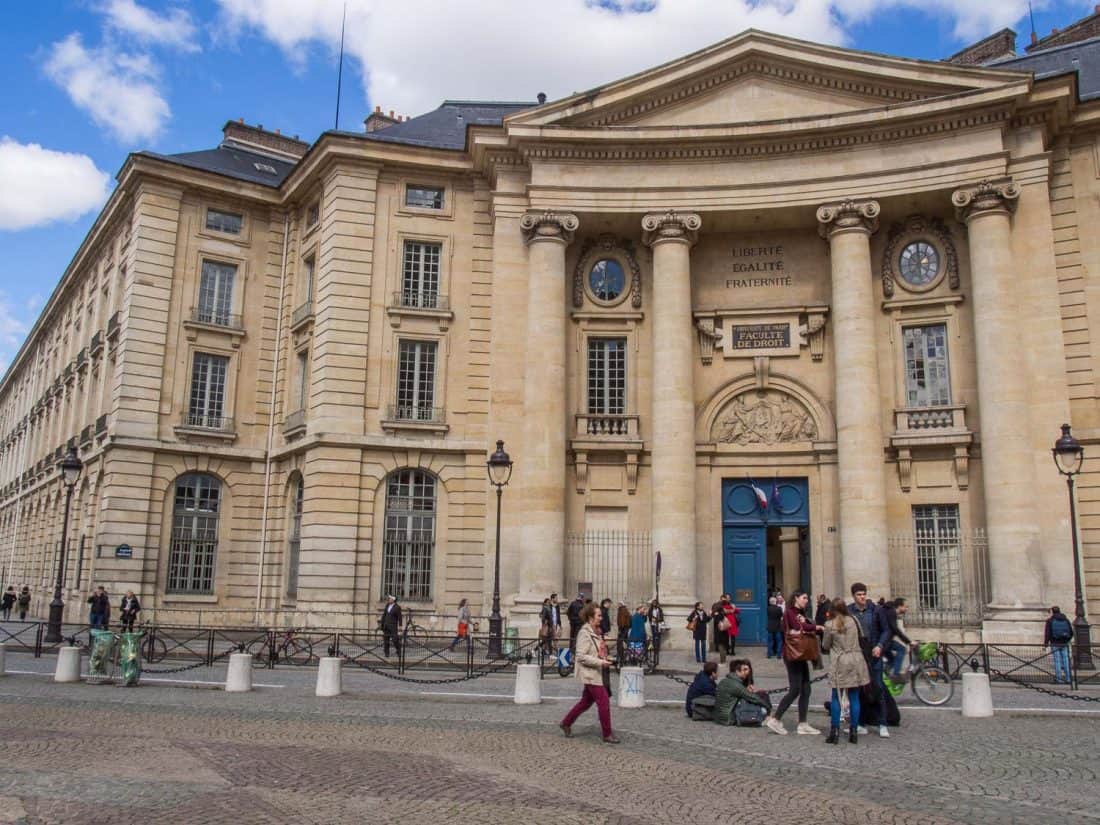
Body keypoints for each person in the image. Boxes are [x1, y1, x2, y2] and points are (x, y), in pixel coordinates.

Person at [559, 602, 619, 744]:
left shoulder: (596, 632)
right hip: (591, 674)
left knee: (585, 702)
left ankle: (566, 723)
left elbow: (597, 652)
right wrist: (601, 662)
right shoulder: (584, 633)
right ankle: (607, 734)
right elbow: (581, 656)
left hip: (597, 672)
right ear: (591, 618)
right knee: (603, 702)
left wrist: (607, 659)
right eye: (599, 615)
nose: (601, 618)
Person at [767, 590, 825, 736]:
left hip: (801, 655)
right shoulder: (790, 612)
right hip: (793, 655)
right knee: (795, 689)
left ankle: (803, 723)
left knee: (806, 689)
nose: (807, 600)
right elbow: (798, 627)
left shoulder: (800, 612)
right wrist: (816, 627)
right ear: (796, 598)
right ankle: (776, 719)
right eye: (804, 598)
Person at [822, 598, 870, 744]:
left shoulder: (829, 625)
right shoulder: (854, 620)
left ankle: (834, 731)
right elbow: (863, 637)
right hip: (855, 659)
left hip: (839, 661)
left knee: (836, 697)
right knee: (854, 697)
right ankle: (854, 731)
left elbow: (825, 645)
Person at [848, 582, 891, 738]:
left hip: (874, 653)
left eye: (864, 594)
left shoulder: (876, 610)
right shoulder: (849, 611)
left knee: (878, 688)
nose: (862, 597)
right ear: (854, 596)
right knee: (859, 690)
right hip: (858, 654)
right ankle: (860, 723)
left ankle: (882, 723)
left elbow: (886, 630)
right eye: (859, 594)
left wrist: (880, 645)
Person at [715, 658, 773, 726]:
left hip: (719, 717)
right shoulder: (736, 685)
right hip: (728, 718)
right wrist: (768, 707)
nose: (745, 673)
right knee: (758, 703)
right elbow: (753, 698)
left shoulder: (724, 681)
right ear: (737, 671)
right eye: (743, 670)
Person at [881, 598, 912, 681]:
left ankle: (885, 675)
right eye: (906, 607)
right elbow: (895, 629)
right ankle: (896, 675)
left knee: (892, 660)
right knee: (902, 649)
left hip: (885, 640)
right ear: (899, 606)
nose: (907, 609)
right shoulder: (891, 613)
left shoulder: (890, 612)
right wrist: (908, 641)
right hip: (883, 641)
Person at [1045, 605, 1074, 684]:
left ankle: (1059, 679)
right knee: (1066, 660)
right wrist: (1067, 640)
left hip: (1055, 642)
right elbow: (1071, 632)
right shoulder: (1066, 620)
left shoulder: (1050, 620)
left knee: (1057, 661)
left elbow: (1047, 633)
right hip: (1064, 643)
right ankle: (1068, 679)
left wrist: (1046, 643)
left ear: (1052, 612)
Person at [711, 593, 739, 661]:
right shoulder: (718, 605)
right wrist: (731, 610)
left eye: (729, 597)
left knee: (731, 637)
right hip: (723, 623)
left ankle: (731, 650)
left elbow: (737, 611)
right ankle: (725, 653)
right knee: (723, 640)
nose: (728, 599)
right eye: (726, 598)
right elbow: (723, 611)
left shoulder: (731, 604)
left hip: (730, 622)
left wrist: (733, 609)